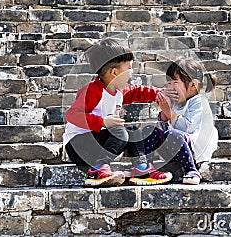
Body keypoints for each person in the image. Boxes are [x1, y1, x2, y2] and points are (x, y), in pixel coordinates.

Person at [63, 38, 172, 187]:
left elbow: (138, 92)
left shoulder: (120, 90)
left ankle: (141, 170)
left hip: (99, 142)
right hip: (79, 146)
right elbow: (72, 115)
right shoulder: (92, 91)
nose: (132, 73)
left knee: (133, 130)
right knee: (120, 132)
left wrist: (160, 93)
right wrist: (102, 122)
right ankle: (97, 170)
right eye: (129, 68)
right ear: (114, 73)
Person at [142, 58, 218, 185]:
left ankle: (192, 170)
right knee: (149, 131)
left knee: (173, 135)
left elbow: (186, 128)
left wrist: (168, 111)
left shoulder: (198, 101)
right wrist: (164, 114)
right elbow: (165, 130)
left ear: (193, 85)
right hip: (174, 148)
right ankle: (146, 168)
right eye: (169, 83)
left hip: (194, 150)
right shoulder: (176, 104)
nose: (169, 87)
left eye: (174, 83)